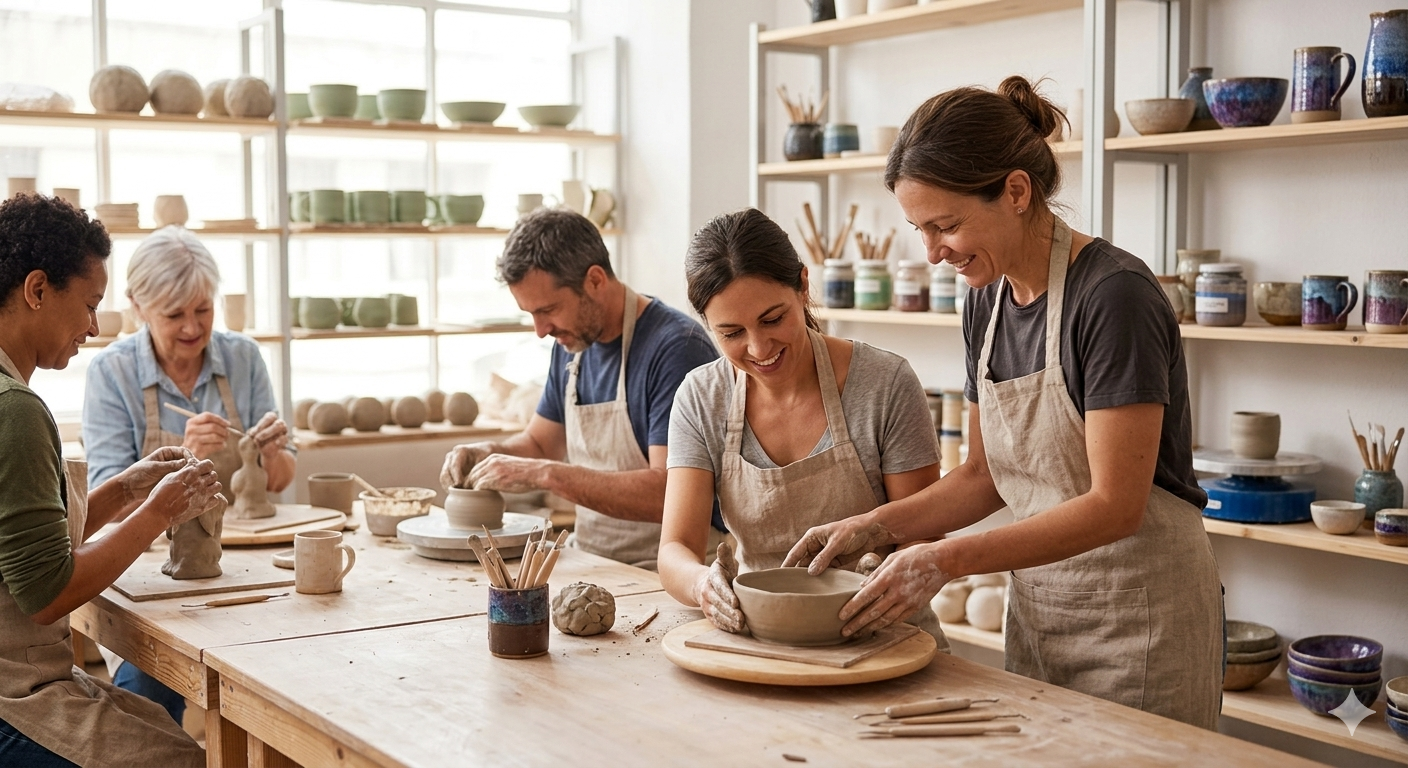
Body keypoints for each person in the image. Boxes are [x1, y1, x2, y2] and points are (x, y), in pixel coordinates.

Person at [784, 77, 1222, 729]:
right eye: (920, 230)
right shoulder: (985, 301)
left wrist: (944, 558)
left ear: (1016, 192)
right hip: (1043, 612)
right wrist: (875, 525)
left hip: (1141, 622)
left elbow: (1115, 506)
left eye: (946, 225)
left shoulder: (1114, 297)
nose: (933, 253)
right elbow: (985, 475)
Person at [658, 208, 947, 649]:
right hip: (763, 638)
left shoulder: (884, 383)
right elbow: (674, 548)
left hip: (884, 635)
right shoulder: (702, 397)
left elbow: (925, 533)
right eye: (732, 332)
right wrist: (702, 585)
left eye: (773, 319)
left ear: (803, 285)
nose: (759, 348)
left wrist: (885, 577)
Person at [0, 193, 215, 767]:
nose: (94, 327)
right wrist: (158, 515)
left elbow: (24, 544)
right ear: (38, 290)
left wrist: (127, 488)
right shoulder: (14, 409)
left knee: (157, 725)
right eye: (89, 304)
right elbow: (47, 594)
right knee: (184, 758)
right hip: (11, 699)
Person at [81, 225, 295, 724]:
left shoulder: (243, 356)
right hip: (151, 564)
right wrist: (182, 455)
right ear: (137, 306)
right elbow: (108, 499)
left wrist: (272, 450)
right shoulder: (111, 372)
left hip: (247, 557)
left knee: (292, 666)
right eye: (174, 315)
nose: (193, 328)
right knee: (144, 700)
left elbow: (280, 480)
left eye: (203, 310)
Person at [440, 209, 722, 569]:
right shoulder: (570, 345)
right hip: (593, 559)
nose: (541, 330)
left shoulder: (676, 348)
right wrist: (489, 453)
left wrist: (546, 474)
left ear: (595, 280)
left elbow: (670, 494)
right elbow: (542, 444)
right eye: (531, 314)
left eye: (549, 310)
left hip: (668, 573)